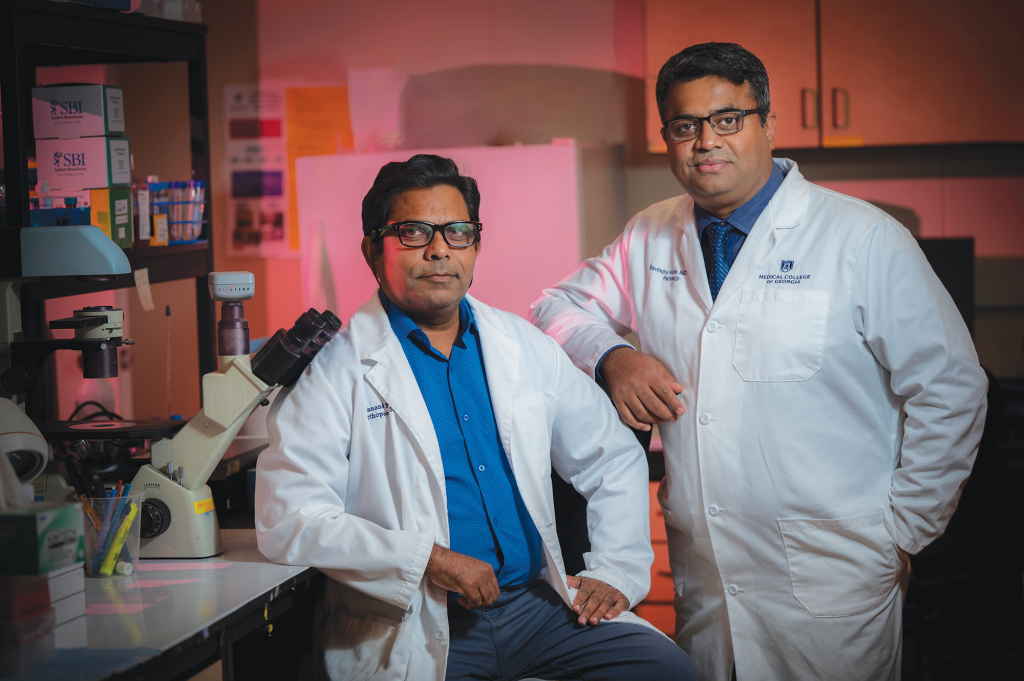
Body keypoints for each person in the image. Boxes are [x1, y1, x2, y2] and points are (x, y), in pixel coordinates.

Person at [530, 42, 988, 681]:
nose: (705, 142)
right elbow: (556, 305)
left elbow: (951, 389)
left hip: (835, 576)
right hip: (707, 575)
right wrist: (612, 356)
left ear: (768, 124)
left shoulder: (861, 238)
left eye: (728, 119)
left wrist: (902, 532)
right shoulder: (649, 233)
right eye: (685, 126)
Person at [255, 154, 696, 681]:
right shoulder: (334, 371)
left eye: (457, 232)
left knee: (664, 670)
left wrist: (617, 571)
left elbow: (612, 454)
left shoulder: (521, 346)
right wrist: (429, 559)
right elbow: (290, 519)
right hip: (418, 618)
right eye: (413, 232)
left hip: (539, 609)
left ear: (475, 244)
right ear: (373, 250)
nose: (440, 249)